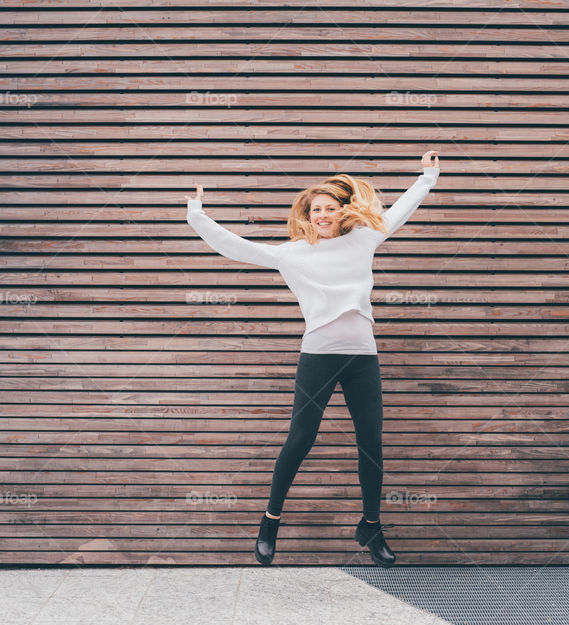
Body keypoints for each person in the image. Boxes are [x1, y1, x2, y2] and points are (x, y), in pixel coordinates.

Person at [185, 151, 441, 567]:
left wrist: (428, 175)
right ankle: (270, 522)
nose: (323, 214)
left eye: (330, 208)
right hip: (318, 355)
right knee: (301, 439)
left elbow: (399, 211)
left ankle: (371, 526)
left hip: (362, 356)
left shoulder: (364, 238)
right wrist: (197, 213)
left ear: (343, 211)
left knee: (371, 443)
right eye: (316, 209)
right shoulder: (293, 253)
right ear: (307, 214)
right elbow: (235, 246)